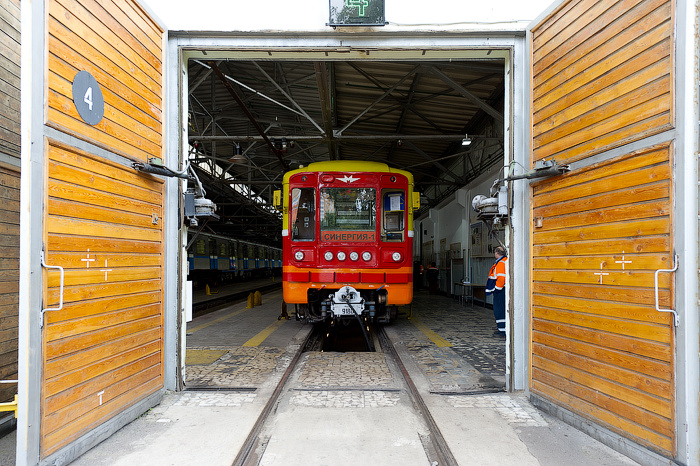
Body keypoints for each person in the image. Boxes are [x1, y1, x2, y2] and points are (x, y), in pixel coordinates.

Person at [485, 246, 507, 336]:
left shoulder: (501, 263)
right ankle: (501, 328)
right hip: (502, 290)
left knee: (499, 310)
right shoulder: (503, 261)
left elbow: (501, 278)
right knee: (501, 309)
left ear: (497, 253)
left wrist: (497, 289)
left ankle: (502, 331)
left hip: (500, 291)